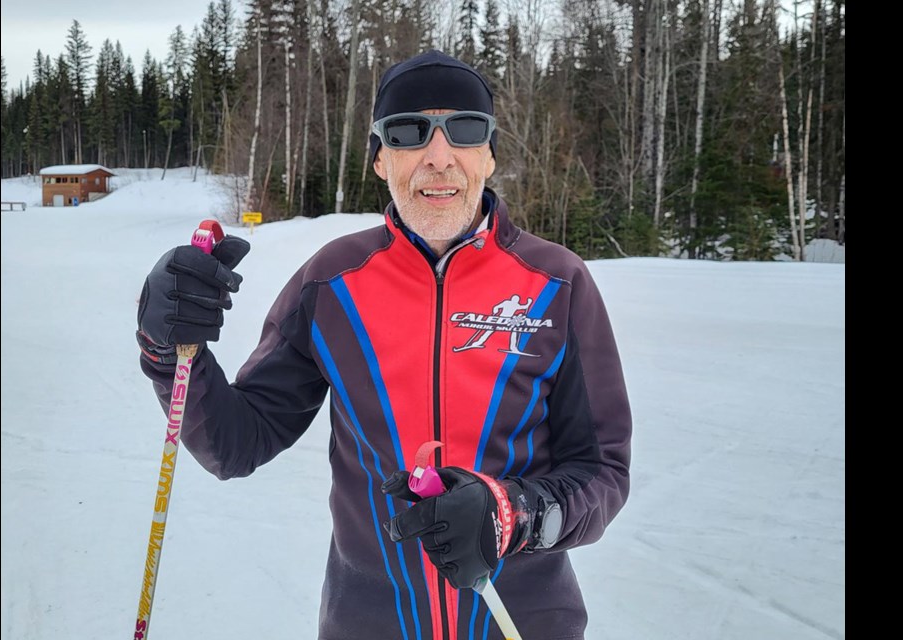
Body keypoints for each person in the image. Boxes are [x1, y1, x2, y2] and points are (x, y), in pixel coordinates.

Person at [136, 50, 632, 640]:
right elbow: (237, 442)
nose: (438, 157)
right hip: (367, 623)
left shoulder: (557, 283)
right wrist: (169, 353)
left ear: (490, 154)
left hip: (524, 622)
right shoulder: (332, 283)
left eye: (465, 131)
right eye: (409, 133)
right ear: (379, 159)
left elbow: (601, 471)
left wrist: (511, 514)